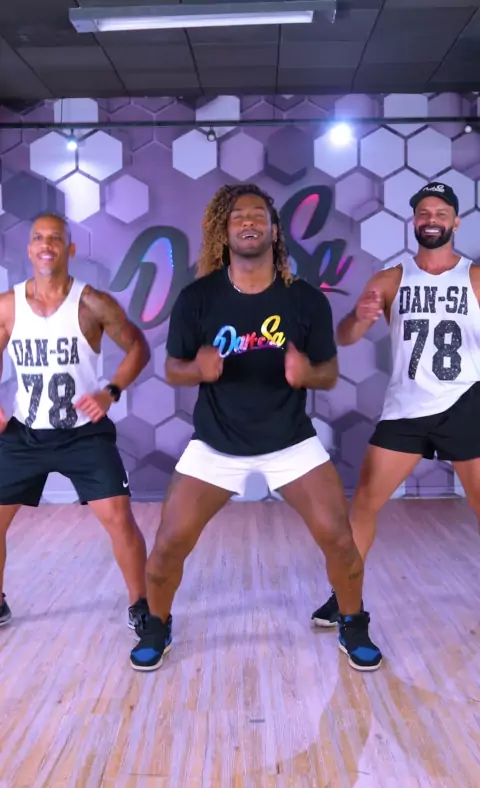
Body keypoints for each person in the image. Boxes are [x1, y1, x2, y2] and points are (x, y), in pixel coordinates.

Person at [130, 182, 383, 674]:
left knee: (339, 539)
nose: (248, 222)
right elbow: (173, 368)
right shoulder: (198, 298)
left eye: (258, 215)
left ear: (274, 230)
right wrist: (197, 368)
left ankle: (353, 622)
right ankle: (157, 625)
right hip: (217, 443)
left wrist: (306, 374)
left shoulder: (305, 300)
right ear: (224, 232)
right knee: (167, 547)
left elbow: (329, 371)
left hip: (289, 440)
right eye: (238, 216)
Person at [312, 181, 480, 628]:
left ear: (456, 221)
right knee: (365, 502)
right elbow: (346, 336)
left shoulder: (476, 278)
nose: (431, 220)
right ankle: (344, 596)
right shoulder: (390, 279)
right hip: (406, 407)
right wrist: (358, 317)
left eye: (440, 213)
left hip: (465, 402)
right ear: (414, 221)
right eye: (424, 213)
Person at [0, 213, 151, 632]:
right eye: (38, 238)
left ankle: (142, 605)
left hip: (84, 435)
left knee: (119, 518)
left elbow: (138, 347)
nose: (46, 245)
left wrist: (111, 391)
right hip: (26, 434)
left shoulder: (93, 303)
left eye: (55, 238)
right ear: (29, 249)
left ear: (70, 249)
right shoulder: (8, 306)